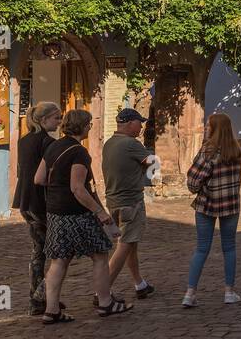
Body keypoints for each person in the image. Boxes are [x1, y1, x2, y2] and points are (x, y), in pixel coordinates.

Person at [34, 108, 127, 323]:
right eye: (89, 125)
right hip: (77, 213)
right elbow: (78, 188)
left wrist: (57, 184)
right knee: (100, 254)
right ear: (84, 127)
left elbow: (39, 178)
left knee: (59, 260)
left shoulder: (54, 146)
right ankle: (105, 302)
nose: (90, 128)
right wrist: (100, 212)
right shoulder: (79, 152)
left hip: (55, 212)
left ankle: (51, 310)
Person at [183, 113, 241, 307]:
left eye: (208, 126)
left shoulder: (208, 152)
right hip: (230, 204)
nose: (205, 128)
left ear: (215, 129)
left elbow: (193, 181)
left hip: (207, 204)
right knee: (229, 248)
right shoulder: (236, 151)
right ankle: (229, 292)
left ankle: (190, 293)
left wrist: (199, 187)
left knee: (202, 248)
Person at [104, 107, 158, 300]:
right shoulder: (131, 144)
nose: (141, 127)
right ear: (129, 123)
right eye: (139, 123)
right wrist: (150, 174)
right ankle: (102, 290)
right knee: (125, 244)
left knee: (130, 243)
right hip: (131, 201)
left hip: (114, 200)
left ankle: (139, 284)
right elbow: (153, 164)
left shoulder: (109, 143)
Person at [13, 101, 61, 316]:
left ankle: (39, 299)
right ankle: (40, 296)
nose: (59, 122)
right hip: (40, 202)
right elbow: (48, 176)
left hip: (25, 200)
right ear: (43, 120)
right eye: (56, 118)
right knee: (59, 252)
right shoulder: (47, 143)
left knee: (38, 251)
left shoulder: (24, 141)